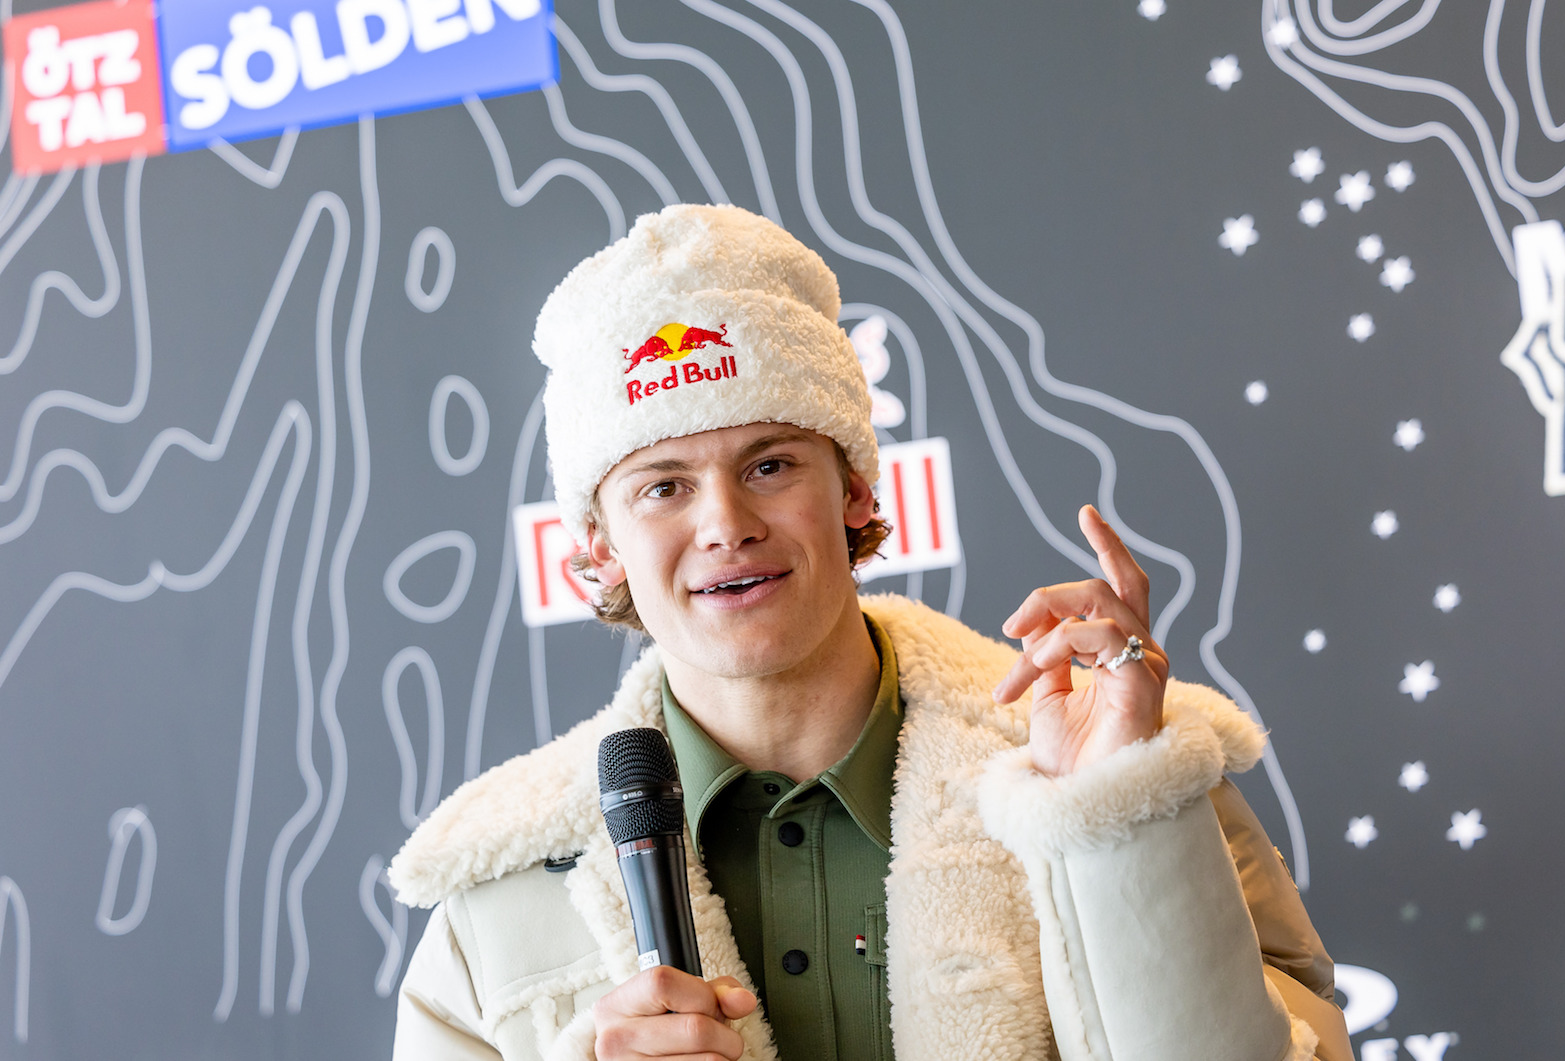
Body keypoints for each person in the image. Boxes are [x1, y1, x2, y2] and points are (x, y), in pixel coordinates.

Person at [388, 205, 1351, 1061]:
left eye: (769, 465)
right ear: (596, 552)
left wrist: (1118, 825)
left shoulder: (1120, 764)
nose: (725, 524)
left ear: (853, 489)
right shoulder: (498, 891)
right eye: (664, 486)